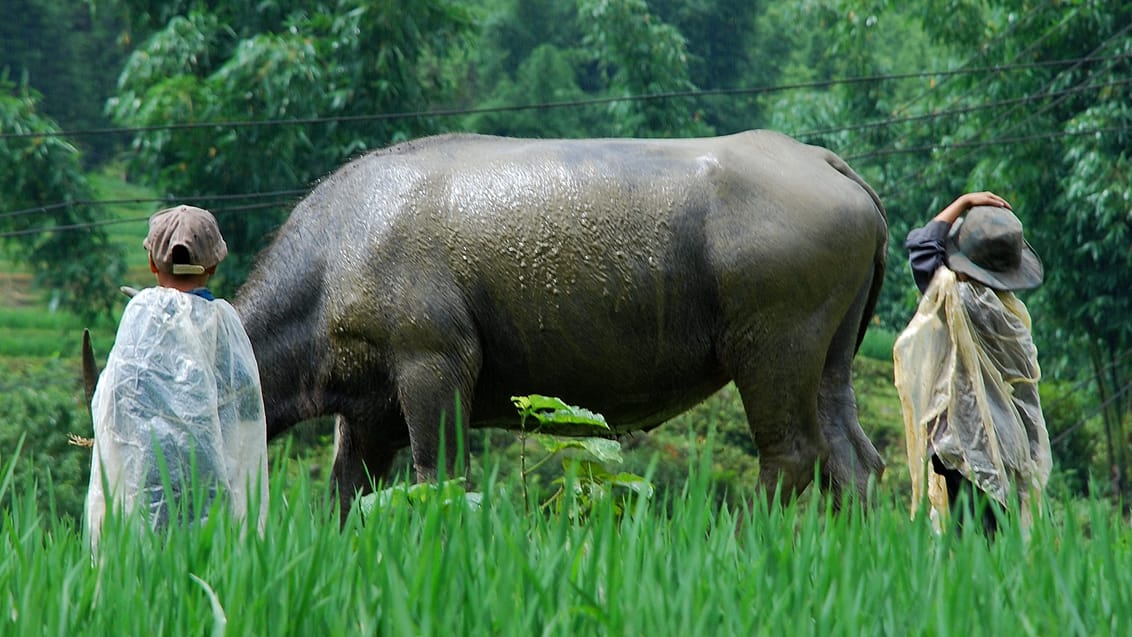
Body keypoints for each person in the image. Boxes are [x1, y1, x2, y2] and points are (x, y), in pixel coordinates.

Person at [85, 205, 268, 548]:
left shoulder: (141, 315)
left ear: (153, 264)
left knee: (149, 571)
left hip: (147, 487)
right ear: (212, 265)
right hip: (213, 492)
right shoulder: (224, 325)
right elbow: (246, 409)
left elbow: (115, 401)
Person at [894, 191, 1052, 535]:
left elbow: (923, 247)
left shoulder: (953, 301)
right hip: (1007, 445)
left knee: (970, 541)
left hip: (960, 445)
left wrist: (963, 202)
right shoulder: (1012, 317)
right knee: (994, 536)